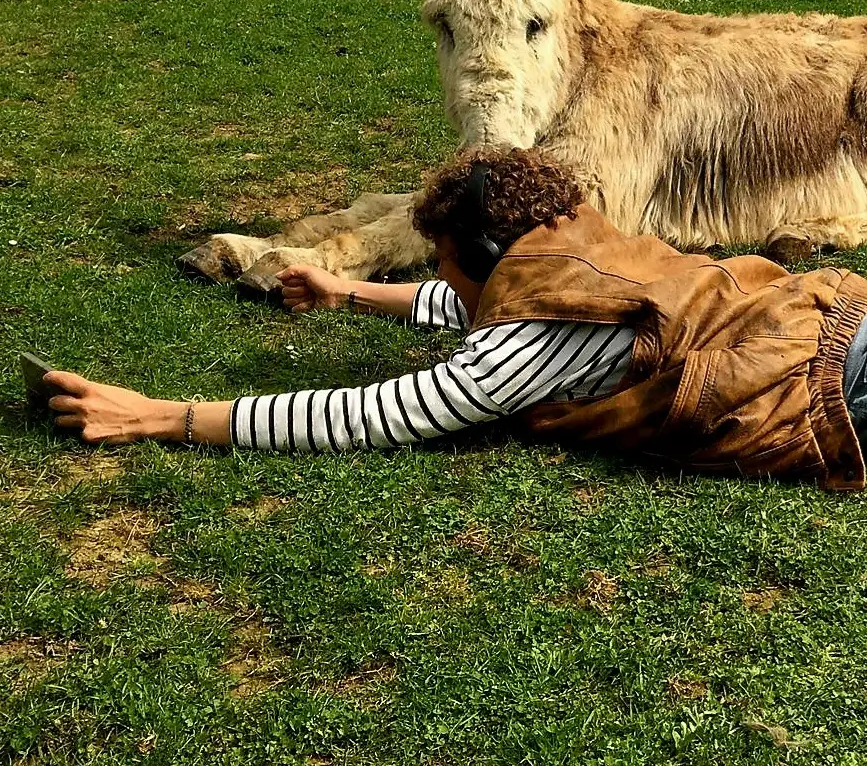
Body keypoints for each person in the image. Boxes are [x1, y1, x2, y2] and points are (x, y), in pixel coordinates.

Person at [41, 148, 867, 490]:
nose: (434, 274)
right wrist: (351, 291)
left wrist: (160, 415)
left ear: (479, 249)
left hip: (838, 381)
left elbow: (374, 414)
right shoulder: (586, 255)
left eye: (439, 257)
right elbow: (487, 305)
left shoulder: (521, 342)